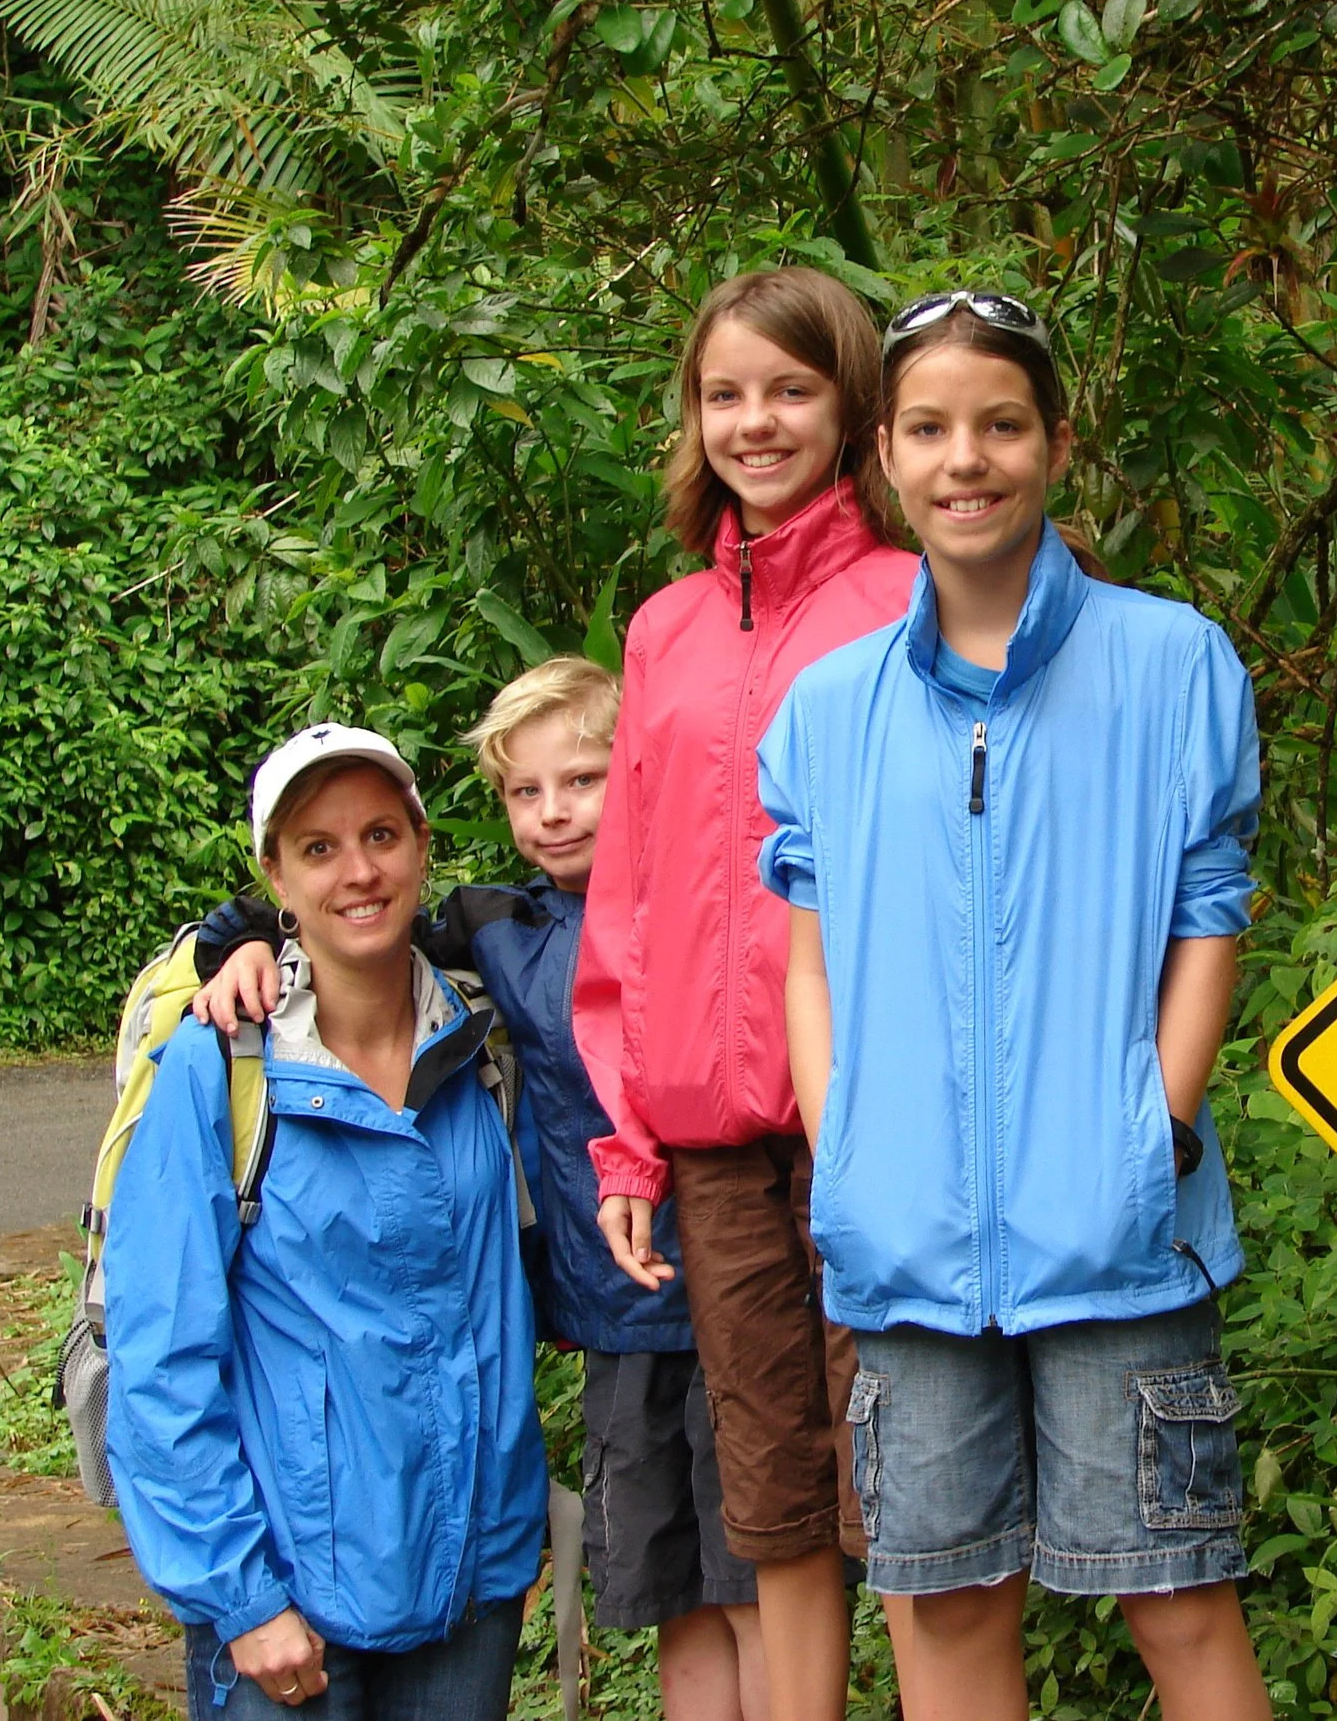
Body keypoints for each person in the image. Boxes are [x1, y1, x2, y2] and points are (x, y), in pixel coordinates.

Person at [757, 292, 1274, 1721]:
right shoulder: (827, 704)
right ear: (884, 449)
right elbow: (809, 954)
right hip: (908, 1239)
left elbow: (1207, 909)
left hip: (1117, 1230)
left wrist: (1150, 1127)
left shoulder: (1173, 662)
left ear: (1055, 442)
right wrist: (839, 1144)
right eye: (929, 428)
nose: (963, 458)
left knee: (1178, 1593)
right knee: (942, 1600)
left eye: (999, 423)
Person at [187, 659, 768, 1719]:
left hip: (738, 1296)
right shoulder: (499, 928)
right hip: (616, 1322)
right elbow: (348, 917)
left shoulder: (712, 901)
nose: (553, 815)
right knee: (671, 1589)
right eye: (524, 793)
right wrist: (232, 948)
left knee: (758, 1584)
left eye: (583, 782)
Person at [574, 266, 916, 1721]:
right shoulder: (665, 628)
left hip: (880, 1121)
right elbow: (631, 898)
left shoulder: (914, 596)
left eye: (790, 388)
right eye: (726, 393)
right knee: (771, 1492)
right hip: (712, 1135)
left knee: (905, 1482)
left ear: (850, 406)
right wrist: (630, 1138)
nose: (756, 421)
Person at [104, 724, 546, 1718]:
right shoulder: (218, 1071)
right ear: (276, 877)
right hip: (286, 1604)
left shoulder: (484, 1045)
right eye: (318, 847)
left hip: (471, 1584)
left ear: (423, 848)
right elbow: (160, 1355)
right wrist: (240, 1596)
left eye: (381, 836)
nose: (358, 871)